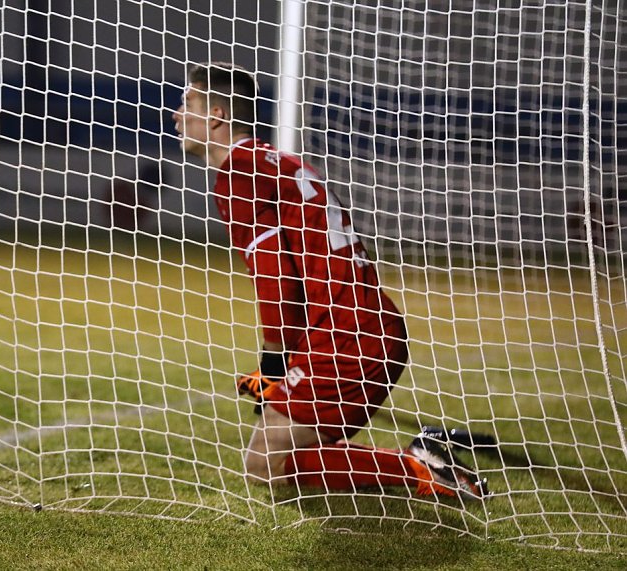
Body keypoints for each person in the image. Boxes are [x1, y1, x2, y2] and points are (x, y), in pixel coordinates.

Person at [172, 62, 488, 500]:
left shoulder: (238, 174)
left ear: (217, 115)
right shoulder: (278, 162)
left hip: (346, 339)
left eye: (187, 104)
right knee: (290, 448)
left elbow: (274, 276)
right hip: (357, 328)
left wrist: (273, 364)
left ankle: (419, 466)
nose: (176, 114)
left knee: (265, 466)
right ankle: (421, 458)